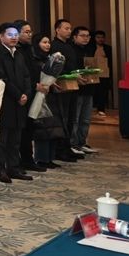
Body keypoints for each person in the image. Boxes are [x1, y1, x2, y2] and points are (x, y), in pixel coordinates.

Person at [0, 22, 32, 183]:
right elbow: (2, 78)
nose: (14, 38)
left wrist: (26, 93)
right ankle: (1, 170)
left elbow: (26, 76)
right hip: (4, 102)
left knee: (15, 139)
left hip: (19, 103)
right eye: (10, 35)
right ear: (1, 36)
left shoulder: (18, 54)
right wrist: (18, 95)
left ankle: (13, 168)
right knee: (1, 140)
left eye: (15, 35)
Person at [28, 32, 65, 168]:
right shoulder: (33, 59)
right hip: (39, 96)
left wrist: (51, 83)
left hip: (51, 96)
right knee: (42, 129)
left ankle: (50, 157)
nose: (47, 45)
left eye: (48, 42)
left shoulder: (49, 58)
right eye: (44, 42)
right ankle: (42, 158)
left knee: (53, 128)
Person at [14, 20, 46, 172]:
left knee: (29, 128)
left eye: (30, 31)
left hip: (32, 92)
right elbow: (20, 75)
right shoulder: (16, 50)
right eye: (26, 32)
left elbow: (32, 70)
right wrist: (33, 86)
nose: (30, 34)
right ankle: (18, 161)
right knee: (21, 130)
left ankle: (28, 159)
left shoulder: (29, 49)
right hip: (21, 94)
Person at [50, 19, 83, 162]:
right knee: (62, 118)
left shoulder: (69, 46)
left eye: (70, 28)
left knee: (70, 118)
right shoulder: (54, 46)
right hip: (61, 85)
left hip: (72, 85)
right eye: (66, 28)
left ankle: (67, 147)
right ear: (57, 30)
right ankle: (60, 150)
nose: (69, 31)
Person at [71, 26, 97, 154]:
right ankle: (73, 144)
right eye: (82, 36)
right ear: (75, 37)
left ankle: (82, 142)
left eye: (88, 36)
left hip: (89, 88)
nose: (85, 38)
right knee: (75, 118)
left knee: (86, 118)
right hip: (76, 89)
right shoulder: (71, 50)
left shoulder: (90, 50)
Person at [87, 30, 113, 117]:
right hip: (92, 72)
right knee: (93, 90)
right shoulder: (90, 47)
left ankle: (101, 109)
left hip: (104, 72)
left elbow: (111, 62)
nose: (100, 39)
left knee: (102, 91)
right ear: (94, 38)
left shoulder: (108, 48)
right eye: (98, 37)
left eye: (102, 37)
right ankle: (92, 108)